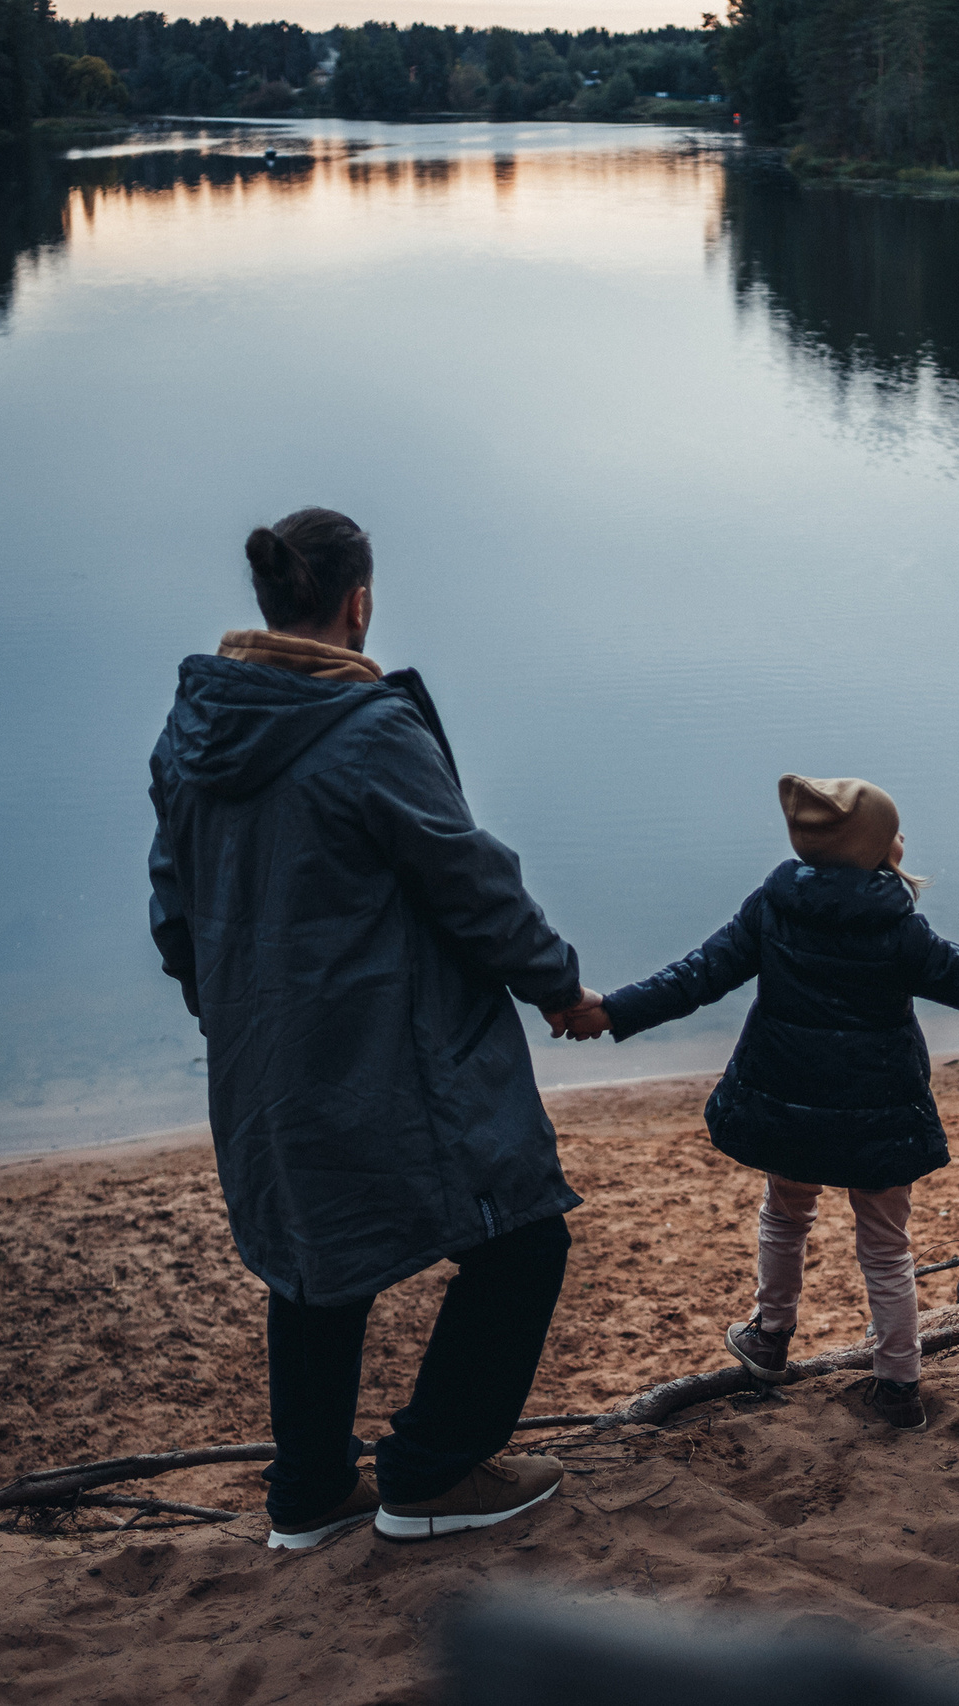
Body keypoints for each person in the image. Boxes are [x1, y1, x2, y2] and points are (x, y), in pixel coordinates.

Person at [148, 506, 608, 1547]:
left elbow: (173, 914)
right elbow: (473, 885)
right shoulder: (368, 733)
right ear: (359, 603)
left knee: (313, 1257)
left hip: (261, 1059)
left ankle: (309, 1494)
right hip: (383, 1054)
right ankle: (431, 1472)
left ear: (270, 602)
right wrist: (555, 981)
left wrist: (237, 1013)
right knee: (521, 1235)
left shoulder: (191, 737)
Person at [563, 776, 959, 1430]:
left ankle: (770, 1337)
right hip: (878, 1119)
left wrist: (612, 1010)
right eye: (894, 831)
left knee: (785, 1213)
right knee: (885, 1247)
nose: (903, 839)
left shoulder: (772, 908)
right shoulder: (900, 929)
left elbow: (697, 977)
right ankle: (899, 1387)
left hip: (788, 1109)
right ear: (876, 851)